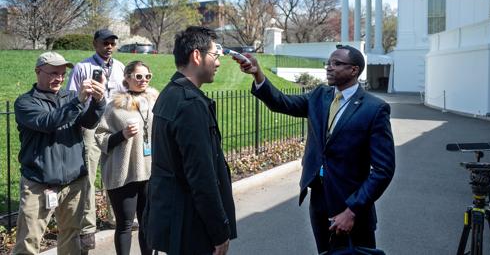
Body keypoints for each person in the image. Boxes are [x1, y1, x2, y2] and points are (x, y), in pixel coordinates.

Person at [235, 45, 395, 254]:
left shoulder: (374, 109)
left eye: (337, 63)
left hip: (351, 205)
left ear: (354, 70)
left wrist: (352, 210)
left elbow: (384, 170)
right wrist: (258, 74)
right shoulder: (320, 95)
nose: (329, 67)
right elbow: (283, 103)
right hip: (319, 201)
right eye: (328, 63)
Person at [144, 26, 237, 255]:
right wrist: (219, 231)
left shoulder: (170, 93)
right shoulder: (190, 104)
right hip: (191, 227)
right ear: (197, 55)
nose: (218, 62)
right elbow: (202, 176)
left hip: (174, 220)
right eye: (215, 55)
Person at [13, 52, 105, 254]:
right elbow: (48, 122)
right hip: (39, 183)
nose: (60, 78)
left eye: (63, 74)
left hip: (73, 183)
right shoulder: (25, 103)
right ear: (38, 71)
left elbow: (88, 122)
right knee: (28, 241)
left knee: (71, 237)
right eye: (54, 73)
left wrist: (98, 102)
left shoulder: (70, 97)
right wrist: (78, 101)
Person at [66, 28, 125, 251]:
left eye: (112, 43)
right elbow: (72, 97)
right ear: (95, 44)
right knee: (89, 176)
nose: (109, 46)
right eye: (104, 42)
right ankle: (87, 227)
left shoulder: (119, 68)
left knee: (114, 171)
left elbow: (122, 95)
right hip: (89, 125)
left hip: (112, 125)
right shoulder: (83, 68)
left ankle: (116, 217)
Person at [94, 61, 158, 255]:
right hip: (124, 173)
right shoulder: (114, 106)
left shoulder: (156, 102)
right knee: (125, 224)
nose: (143, 80)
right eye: (138, 76)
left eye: (147, 76)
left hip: (150, 171)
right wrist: (122, 134)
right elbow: (100, 136)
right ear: (127, 78)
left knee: (148, 222)